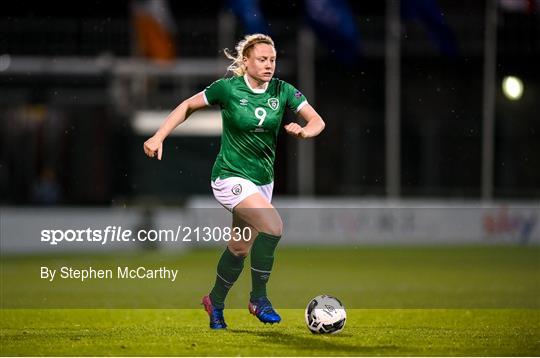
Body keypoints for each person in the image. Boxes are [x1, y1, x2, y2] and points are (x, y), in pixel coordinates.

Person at [143, 34, 325, 329]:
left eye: (273, 60)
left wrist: (305, 131)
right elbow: (187, 106)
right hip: (229, 177)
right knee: (274, 226)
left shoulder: (283, 90)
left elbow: (317, 120)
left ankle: (214, 302)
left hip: (262, 182)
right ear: (246, 61)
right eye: (262, 59)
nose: (269, 65)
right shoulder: (227, 89)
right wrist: (158, 135)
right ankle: (259, 299)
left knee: (239, 248)